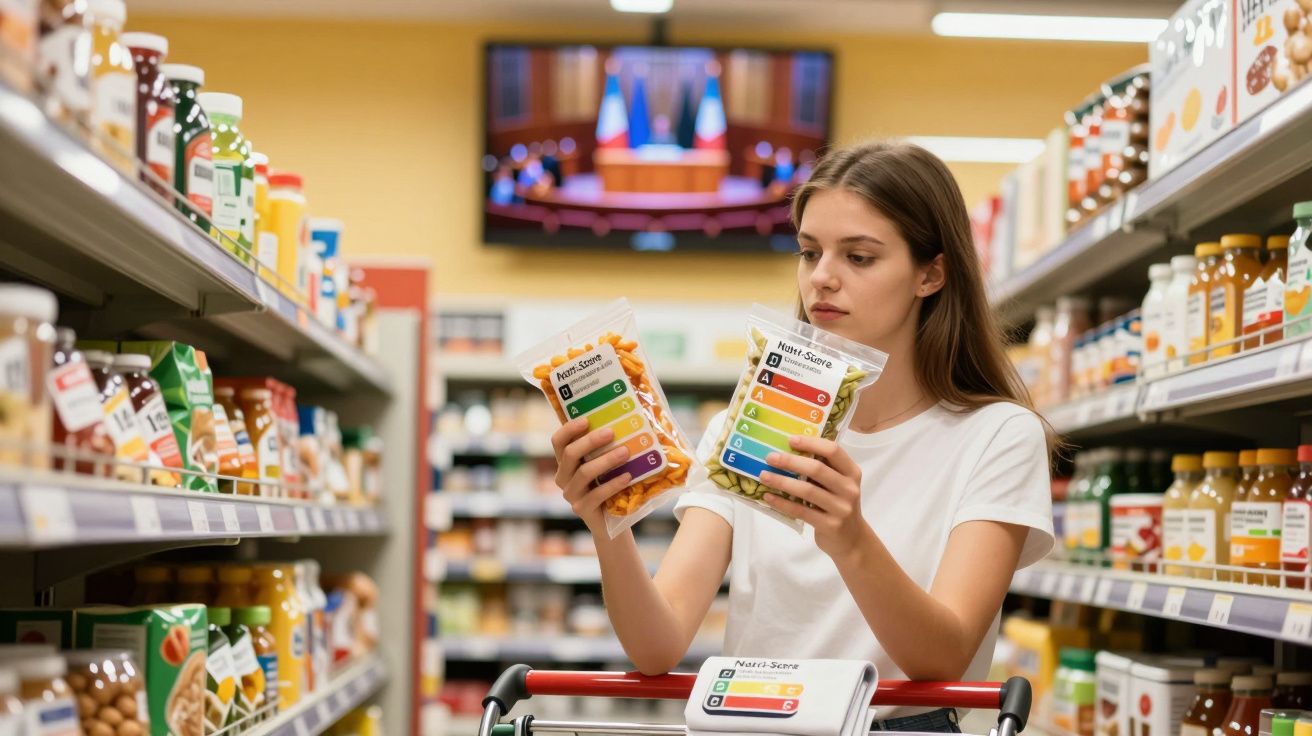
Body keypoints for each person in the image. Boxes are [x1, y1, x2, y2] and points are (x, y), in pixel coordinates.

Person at [549, 141, 1055, 733]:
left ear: (931, 273)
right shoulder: (744, 426)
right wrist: (605, 523)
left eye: (859, 257)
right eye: (809, 252)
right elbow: (657, 644)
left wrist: (849, 538)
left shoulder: (996, 436)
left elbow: (943, 657)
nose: (822, 278)